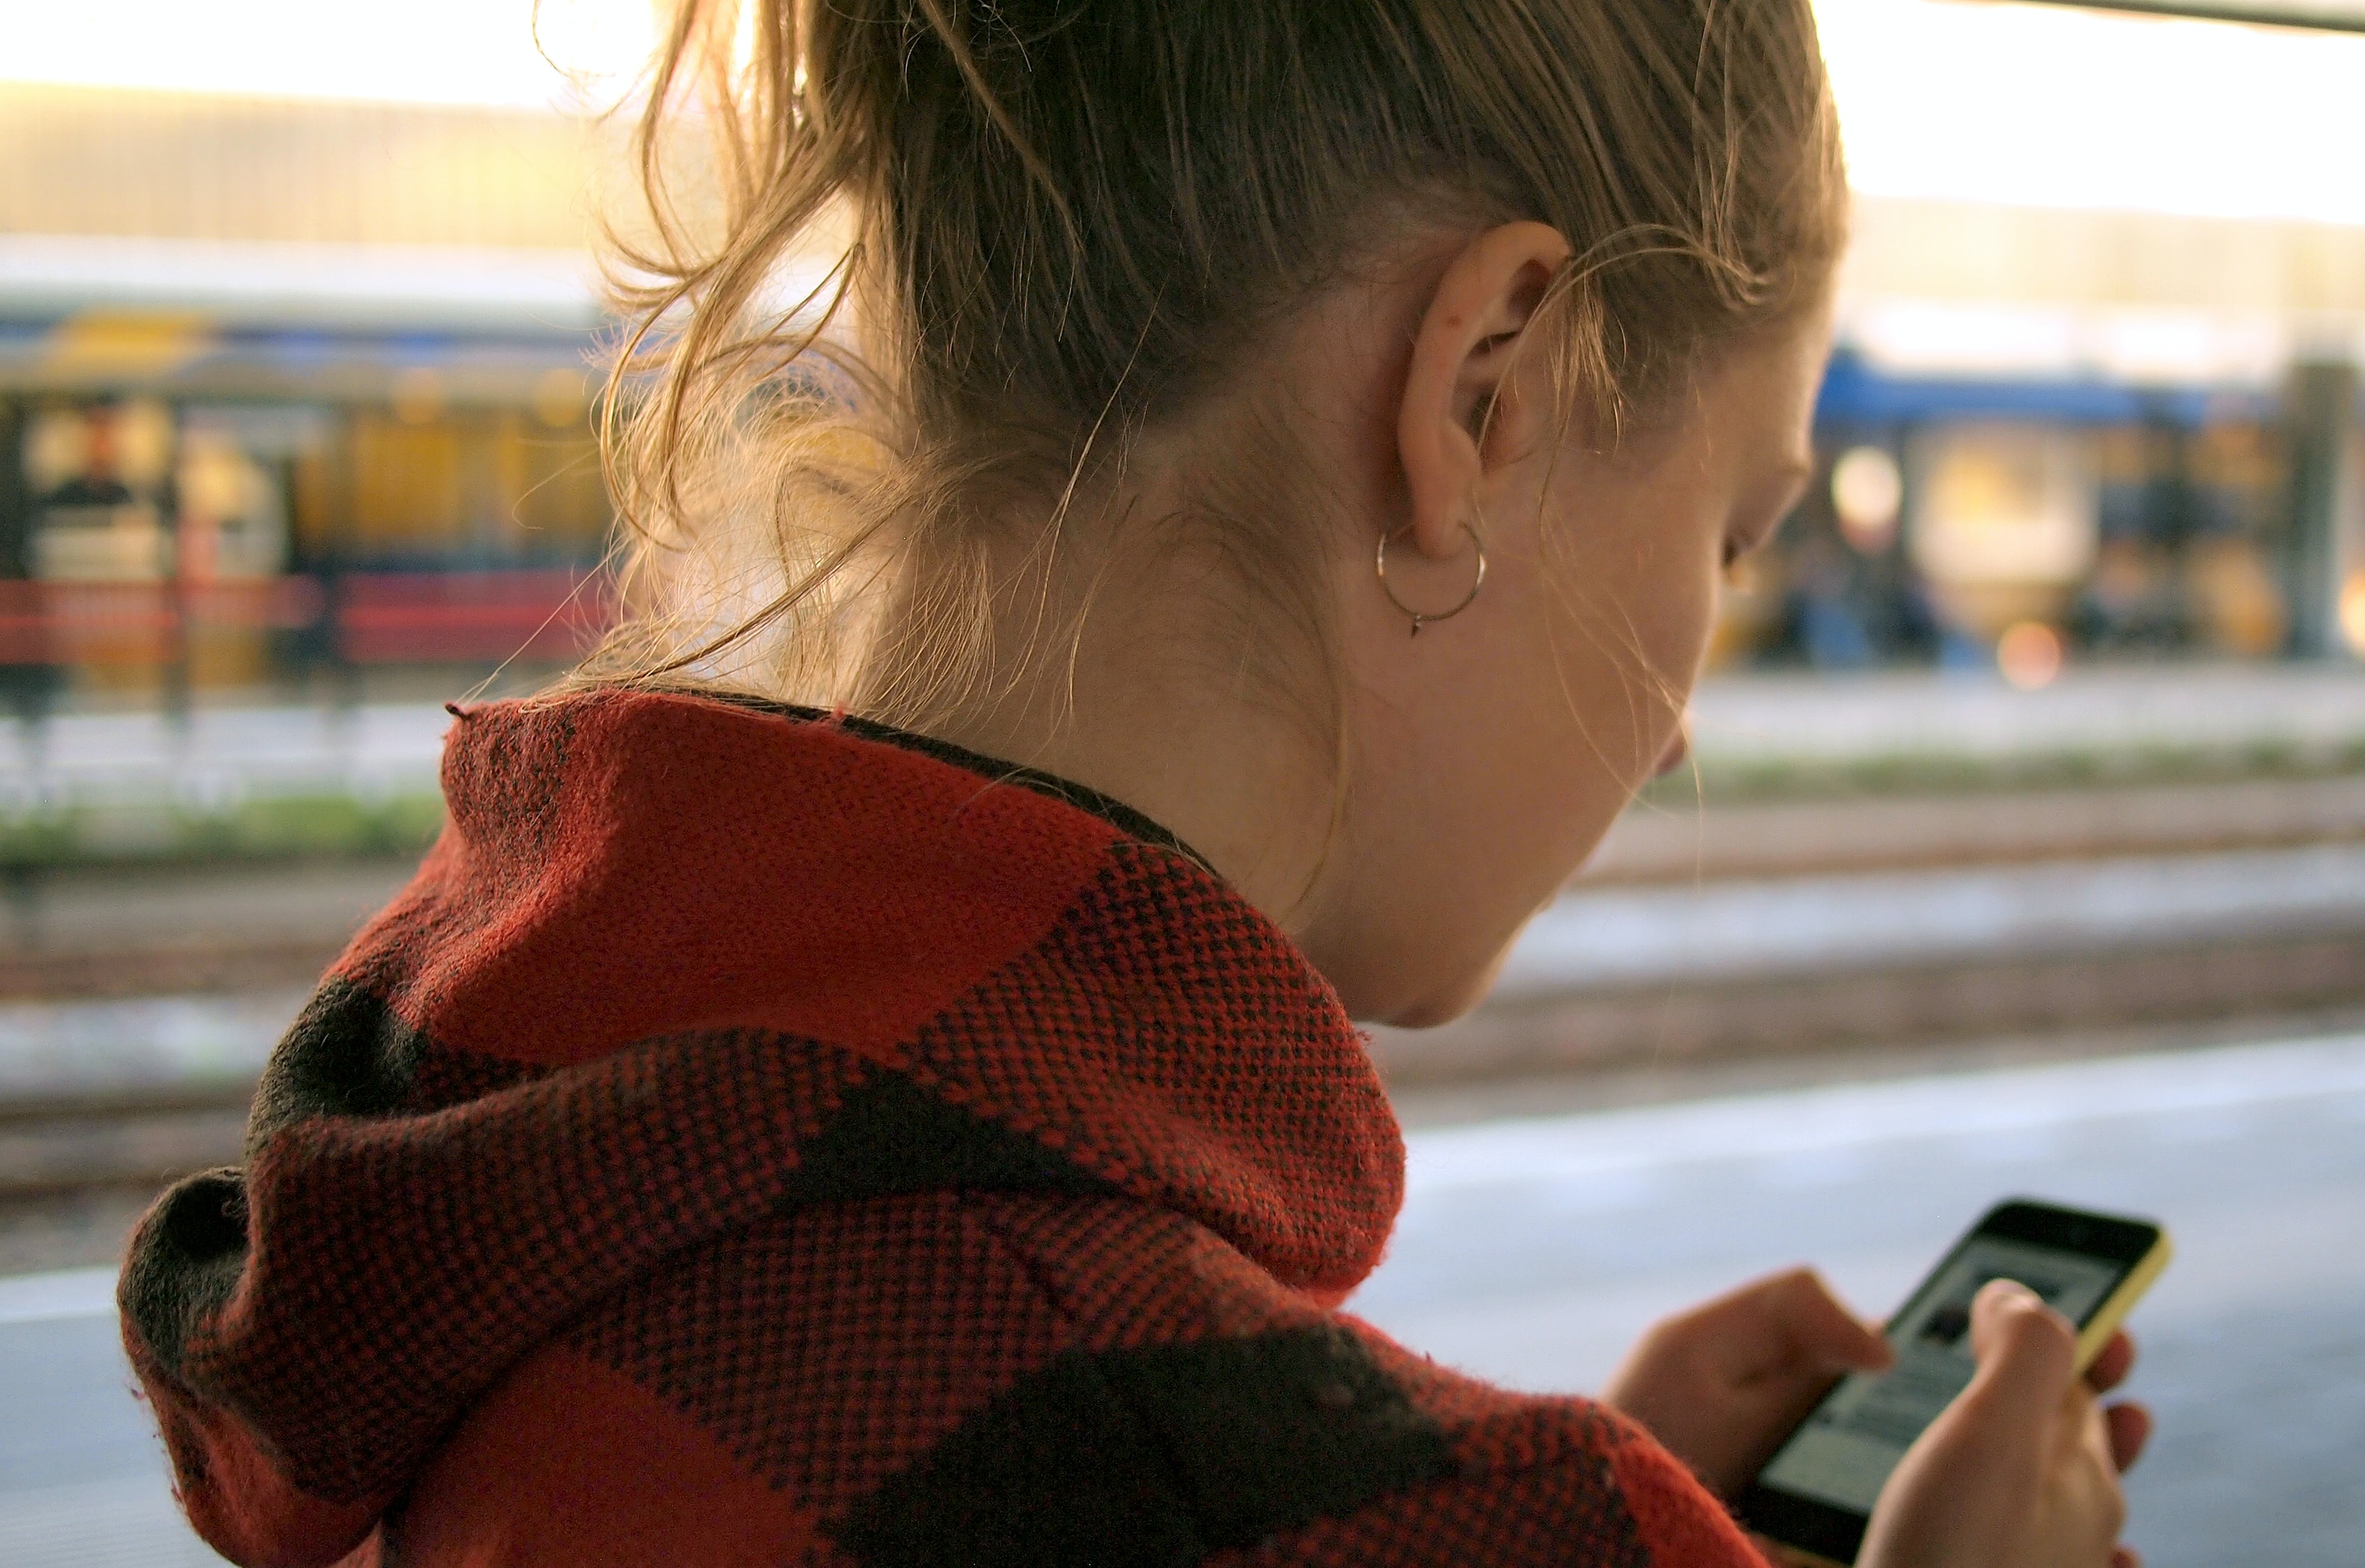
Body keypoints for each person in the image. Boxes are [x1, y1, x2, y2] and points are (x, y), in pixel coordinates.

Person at [118, 3, 2149, 1564]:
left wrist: (1434, 1470)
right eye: (1729, 530)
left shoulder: (506, 1183)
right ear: (1487, 389)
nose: (1686, 706)